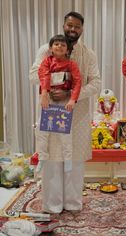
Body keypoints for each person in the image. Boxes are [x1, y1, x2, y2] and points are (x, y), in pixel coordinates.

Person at [29, 12, 101, 213]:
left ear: (82, 29)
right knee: (52, 161)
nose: (72, 29)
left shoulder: (88, 54)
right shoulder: (47, 49)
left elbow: (96, 83)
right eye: (70, 25)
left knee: (75, 162)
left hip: (76, 114)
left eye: (77, 26)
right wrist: (52, 86)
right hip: (51, 111)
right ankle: (52, 206)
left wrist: (71, 94)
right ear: (63, 25)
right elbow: (33, 75)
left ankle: (72, 204)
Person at [36, 34, 82, 185]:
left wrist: (72, 99)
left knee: (65, 132)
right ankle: (42, 157)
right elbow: (44, 76)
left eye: (63, 45)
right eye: (56, 44)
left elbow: (77, 82)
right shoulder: (46, 62)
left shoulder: (71, 64)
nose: (59, 47)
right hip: (48, 99)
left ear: (67, 49)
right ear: (51, 48)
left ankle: (68, 159)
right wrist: (44, 94)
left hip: (64, 102)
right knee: (42, 131)